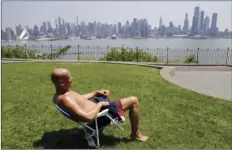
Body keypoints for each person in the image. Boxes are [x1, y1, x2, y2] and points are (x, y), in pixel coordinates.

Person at [51, 68, 148, 142]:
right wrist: (100, 104)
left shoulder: (62, 93)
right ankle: (135, 134)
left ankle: (117, 112)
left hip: (95, 107)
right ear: (61, 83)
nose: (72, 79)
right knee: (134, 101)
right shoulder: (66, 99)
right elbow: (88, 117)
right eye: (69, 78)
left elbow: (79, 99)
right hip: (98, 116)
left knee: (105, 92)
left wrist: (95, 93)